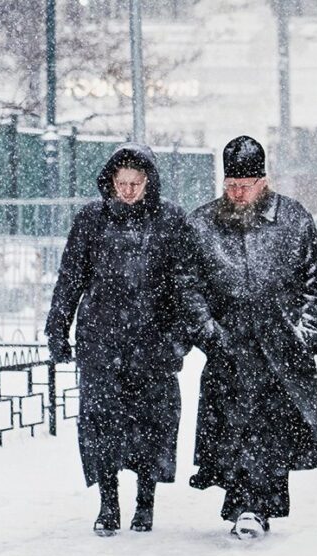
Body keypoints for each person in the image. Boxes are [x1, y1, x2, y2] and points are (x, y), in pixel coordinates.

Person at [183, 136, 317, 540]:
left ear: (263, 181)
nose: (236, 193)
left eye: (245, 185)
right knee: (234, 429)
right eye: (230, 184)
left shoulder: (293, 219)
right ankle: (248, 505)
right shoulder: (202, 224)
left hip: (280, 347)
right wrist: (209, 333)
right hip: (228, 346)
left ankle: (252, 507)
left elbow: (314, 284)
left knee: (269, 430)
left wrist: (306, 333)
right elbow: (188, 286)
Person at [45, 144, 191, 536]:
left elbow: (185, 286)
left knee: (152, 424)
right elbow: (70, 278)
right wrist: (57, 327)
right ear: (111, 182)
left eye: (135, 183)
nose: (127, 190)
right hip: (101, 341)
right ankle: (108, 505)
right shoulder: (91, 219)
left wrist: (179, 341)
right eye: (121, 182)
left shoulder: (169, 220)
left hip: (152, 342)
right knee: (100, 424)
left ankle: (145, 503)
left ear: (149, 183)